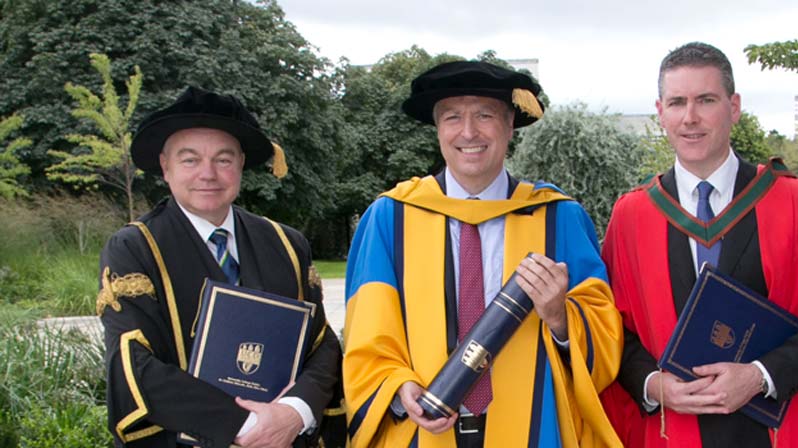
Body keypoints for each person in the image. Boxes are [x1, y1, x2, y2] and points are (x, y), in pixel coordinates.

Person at [600, 42, 798, 447]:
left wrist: (761, 375)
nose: (690, 117)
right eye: (677, 103)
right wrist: (653, 383)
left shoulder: (794, 201)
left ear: (734, 107)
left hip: (775, 431)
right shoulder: (633, 215)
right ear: (660, 113)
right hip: (673, 431)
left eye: (706, 100)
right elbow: (611, 328)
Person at [342, 61, 623, 447]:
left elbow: (605, 335)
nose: (469, 132)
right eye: (452, 117)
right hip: (421, 433)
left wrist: (561, 318)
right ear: (438, 129)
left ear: (510, 126)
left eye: (485, 115)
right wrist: (398, 386)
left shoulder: (558, 218)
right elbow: (367, 337)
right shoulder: (390, 218)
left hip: (536, 430)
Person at [97, 86, 345, 448]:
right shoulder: (135, 248)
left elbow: (321, 344)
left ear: (241, 163)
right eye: (190, 160)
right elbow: (133, 363)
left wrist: (294, 412)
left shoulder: (286, 244)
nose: (208, 174)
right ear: (165, 167)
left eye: (223, 160)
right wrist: (250, 427)